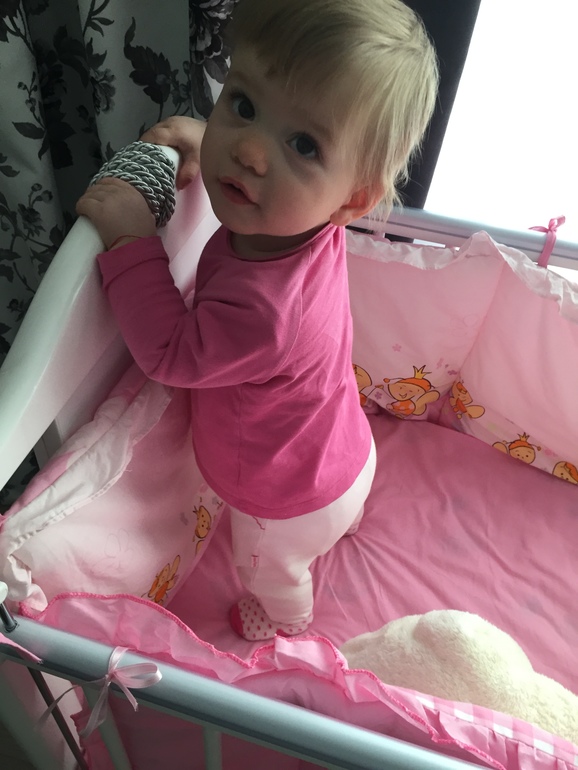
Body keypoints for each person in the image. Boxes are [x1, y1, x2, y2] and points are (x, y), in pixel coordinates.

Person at [76, 0, 439, 641]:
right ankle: (344, 524)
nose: (247, 150)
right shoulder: (311, 226)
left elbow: (170, 352)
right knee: (328, 515)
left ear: (351, 201)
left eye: (303, 145)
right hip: (349, 454)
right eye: (243, 104)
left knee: (264, 568)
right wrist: (205, 136)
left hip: (285, 504)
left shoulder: (265, 314)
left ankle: (288, 619)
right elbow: (254, 153)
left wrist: (131, 241)